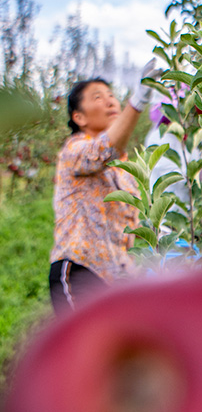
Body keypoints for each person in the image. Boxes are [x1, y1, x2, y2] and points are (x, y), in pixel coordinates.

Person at [49, 59, 161, 316]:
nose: (110, 101)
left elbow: (130, 225)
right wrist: (138, 101)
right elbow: (103, 150)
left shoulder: (122, 167)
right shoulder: (74, 149)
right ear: (79, 117)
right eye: (98, 97)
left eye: (112, 95)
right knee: (83, 353)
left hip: (117, 283)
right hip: (80, 270)